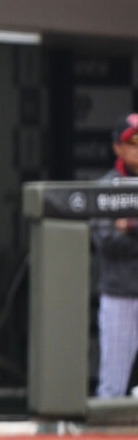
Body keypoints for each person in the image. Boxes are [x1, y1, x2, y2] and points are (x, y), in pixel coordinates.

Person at [92, 113, 138, 398]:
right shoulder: (106, 187)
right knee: (112, 387)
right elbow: (107, 242)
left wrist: (129, 226)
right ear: (117, 148)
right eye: (133, 143)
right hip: (120, 294)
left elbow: (121, 236)